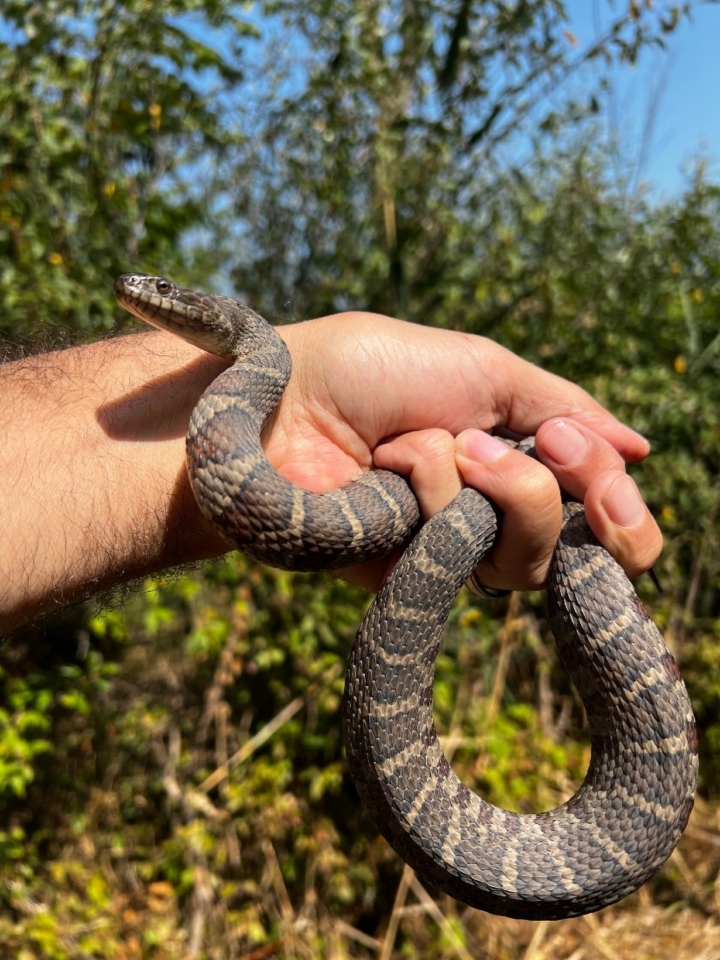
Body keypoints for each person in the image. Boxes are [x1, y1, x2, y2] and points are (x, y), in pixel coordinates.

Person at [0, 309, 661, 635]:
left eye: (169, 293)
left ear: (218, 316)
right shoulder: (263, 362)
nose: (152, 297)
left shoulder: (259, 358)